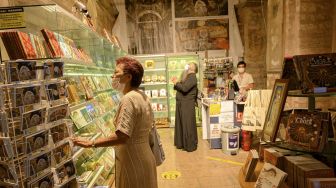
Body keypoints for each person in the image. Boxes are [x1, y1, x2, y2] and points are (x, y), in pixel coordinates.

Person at [72, 57, 158, 188]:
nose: (112, 76)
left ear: (128, 77)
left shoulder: (128, 99)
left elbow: (122, 136)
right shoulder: (143, 96)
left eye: (116, 73)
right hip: (145, 156)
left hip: (132, 160)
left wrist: (91, 143)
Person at [172, 63, 198, 152]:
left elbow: (185, 89)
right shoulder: (187, 76)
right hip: (182, 103)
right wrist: (177, 83)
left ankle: (189, 145)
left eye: (190, 64)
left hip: (187, 104)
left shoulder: (192, 77)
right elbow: (181, 87)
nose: (188, 64)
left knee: (187, 125)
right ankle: (182, 144)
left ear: (194, 68)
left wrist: (176, 83)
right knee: (182, 124)